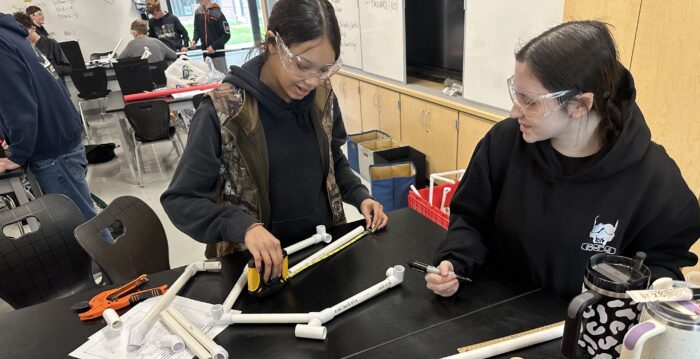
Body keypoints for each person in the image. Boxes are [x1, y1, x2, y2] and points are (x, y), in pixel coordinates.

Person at [426, 21, 700, 300]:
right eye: (516, 94)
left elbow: (663, 263)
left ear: (580, 105)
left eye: (529, 102)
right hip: (493, 312)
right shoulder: (505, 143)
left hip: (585, 330)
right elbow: (471, 218)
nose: (513, 112)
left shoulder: (654, 178)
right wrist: (454, 261)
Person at [162, 0, 386, 281]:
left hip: (324, 253)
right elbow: (182, 200)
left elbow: (332, 158)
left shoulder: (321, 96)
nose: (312, 81)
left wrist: (360, 195)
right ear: (271, 43)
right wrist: (242, 226)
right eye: (303, 65)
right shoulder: (223, 112)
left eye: (324, 70)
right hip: (256, 270)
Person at [0, 13, 97, 222]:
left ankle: (111, 255)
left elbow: (18, 105)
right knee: (82, 222)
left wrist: (16, 155)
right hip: (59, 139)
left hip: (53, 150)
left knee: (80, 227)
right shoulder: (10, 33)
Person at [12, 12, 70, 79]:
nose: (23, 37)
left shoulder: (50, 43)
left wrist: (46, 67)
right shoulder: (22, 48)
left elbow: (67, 68)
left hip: (55, 85)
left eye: (25, 33)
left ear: (33, 28)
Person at [190, 0, 230, 74]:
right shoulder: (198, 11)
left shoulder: (217, 12)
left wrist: (214, 46)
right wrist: (194, 40)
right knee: (210, 78)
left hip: (217, 53)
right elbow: (197, 29)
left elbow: (226, 35)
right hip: (205, 53)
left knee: (221, 78)